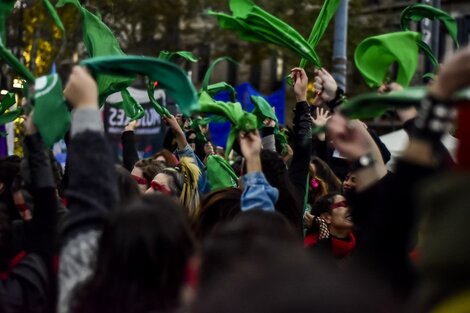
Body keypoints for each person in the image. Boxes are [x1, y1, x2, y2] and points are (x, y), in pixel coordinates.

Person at [304, 193, 356, 260]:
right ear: (327, 217)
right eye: (344, 204)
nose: (350, 208)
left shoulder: (360, 244)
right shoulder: (310, 247)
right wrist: (322, 225)